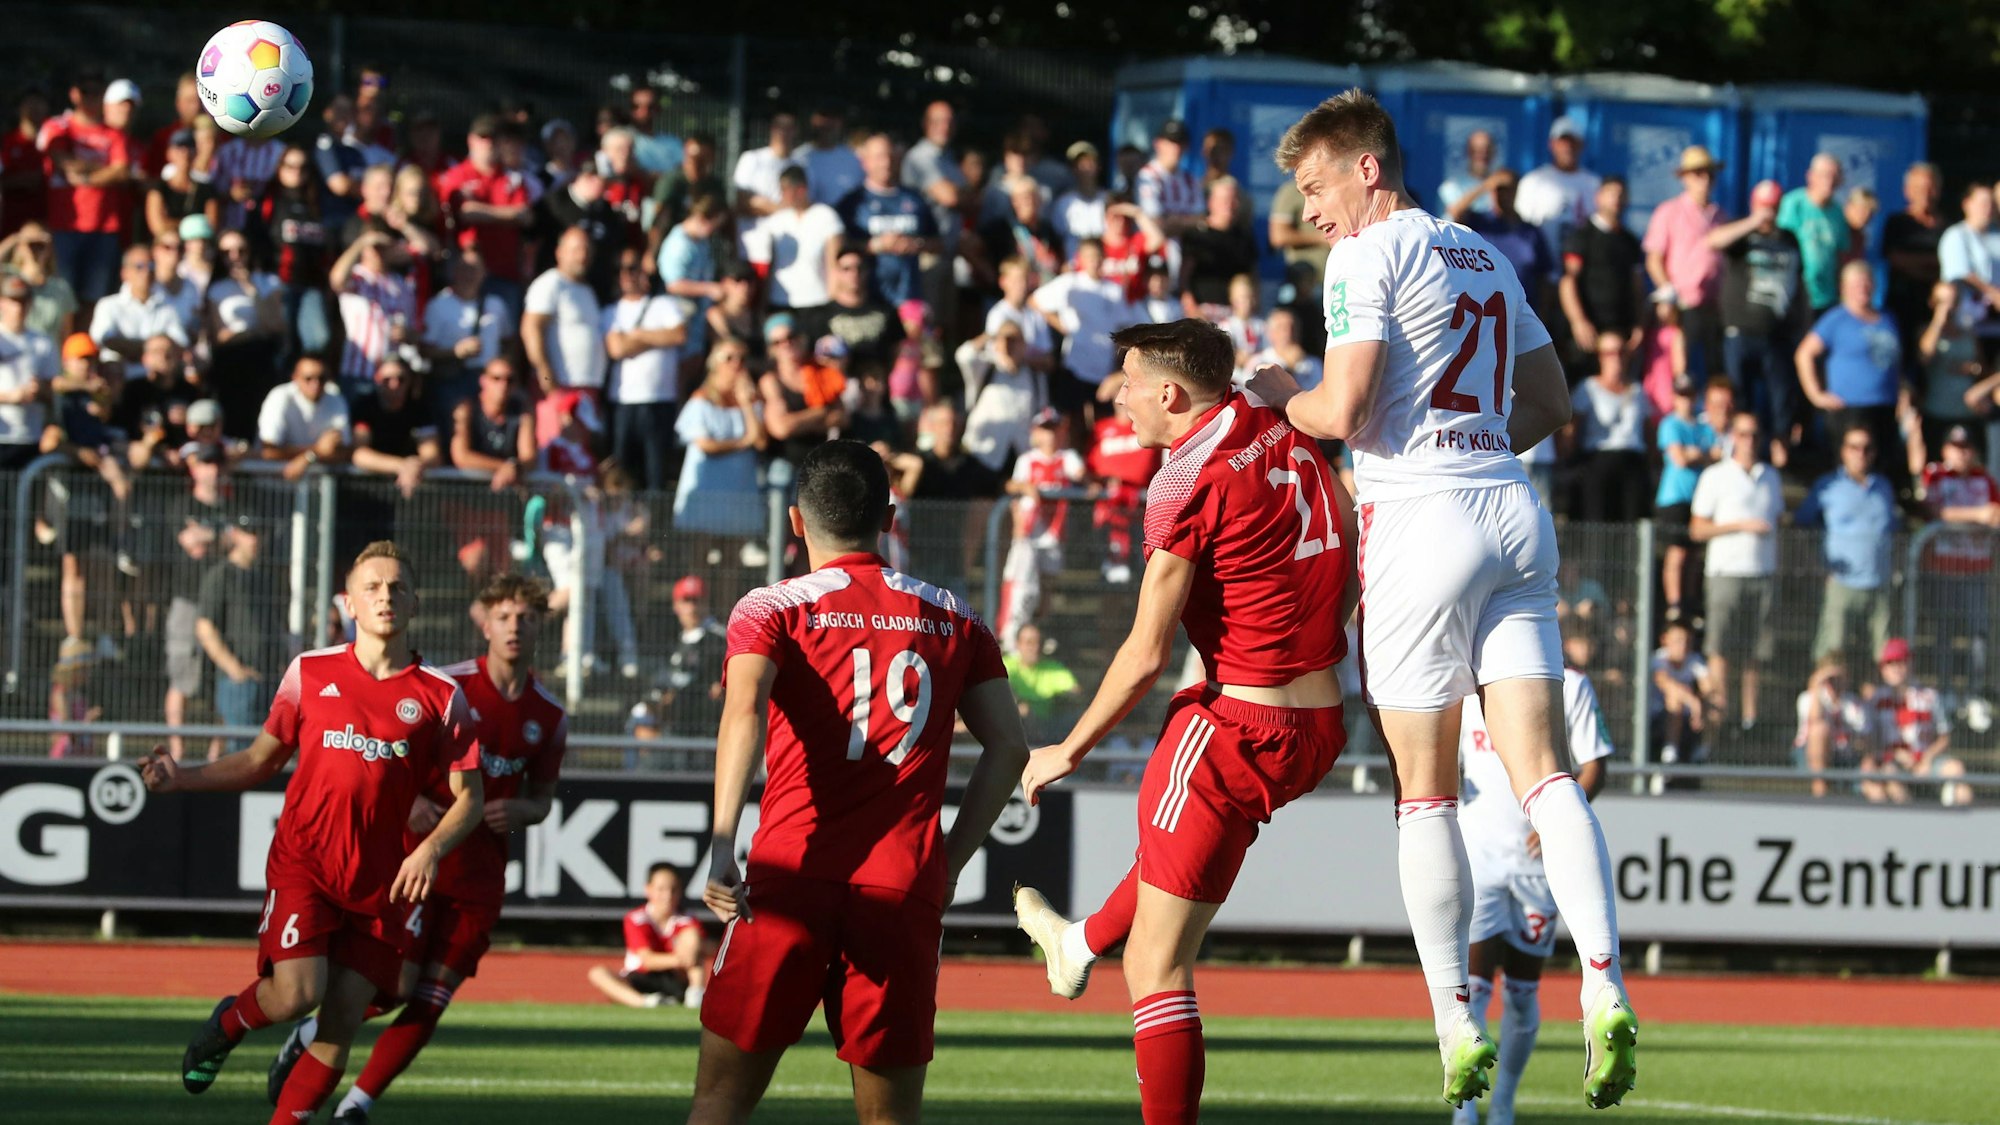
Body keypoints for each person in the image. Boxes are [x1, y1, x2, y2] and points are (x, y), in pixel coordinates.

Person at [1244, 90, 1636, 1111]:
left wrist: (1272, 383)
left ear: (1366, 168)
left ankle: (1450, 1022)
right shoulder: (1483, 254)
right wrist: (1476, 450)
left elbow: (1341, 409)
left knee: (1422, 792)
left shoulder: (1364, 257)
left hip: (1420, 520)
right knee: (1544, 773)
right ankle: (1604, 984)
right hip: (1511, 505)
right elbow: (1549, 403)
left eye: (1316, 186)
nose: (1311, 212)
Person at [1010, 320, 1351, 1125]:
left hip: (1234, 726)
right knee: (1170, 871)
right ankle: (1078, 941)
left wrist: (1070, 745)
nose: (1117, 396)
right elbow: (1343, 516)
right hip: (1323, 723)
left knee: (1158, 966)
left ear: (1170, 394)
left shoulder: (1181, 482)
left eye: (1127, 381)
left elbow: (1142, 654)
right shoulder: (1274, 412)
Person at [685, 440, 1031, 1125]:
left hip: (789, 874)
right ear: (891, 516)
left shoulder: (770, 608)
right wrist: (949, 861)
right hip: (900, 886)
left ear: (794, 521)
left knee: (721, 1099)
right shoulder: (956, 617)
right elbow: (1010, 748)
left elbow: (743, 713)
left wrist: (722, 840)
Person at [139, 542, 484, 1124]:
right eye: (372, 587)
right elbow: (260, 760)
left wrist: (429, 849)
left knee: (343, 1018)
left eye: (397, 586)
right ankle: (229, 1022)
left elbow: (470, 799)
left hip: (382, 882)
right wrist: (182, 777)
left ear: (416, 602)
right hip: (307, 864)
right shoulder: (310, 671)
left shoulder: (441, 696)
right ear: (349, 603)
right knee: (297, 993)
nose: (386, 596)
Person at [269, 574, 568, 1124]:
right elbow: (387, 757)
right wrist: (409, 806)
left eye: (525, 618)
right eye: (504, 616)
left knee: (434, 995)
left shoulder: (549, 714)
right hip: (417, 861)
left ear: (539, 626)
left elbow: (543, 798)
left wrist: (524, 810)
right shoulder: (447, 687)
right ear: (484, 621)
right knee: (398, 985)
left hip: (480, 877)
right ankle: (314, 1032)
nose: (514, 628)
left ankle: (357, 1106)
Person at [1452, 623, 1613, 1125]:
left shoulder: (1569, 684)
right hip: (1479, 856)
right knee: (1473, 988)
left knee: (1522, 993)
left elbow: (1595, 764)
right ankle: (1467, 1109)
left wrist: (1561, 817)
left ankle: (1504, 1101)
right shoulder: (1465, 687)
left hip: (1536, 868)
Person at [1690, 413, 1784, 732]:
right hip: (1725, 572)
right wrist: (1741, 526)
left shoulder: (1770, 476)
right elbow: (1697, 529)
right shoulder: (1715, 476)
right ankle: (1719, 719)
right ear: (1732, 436)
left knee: (1755, 652)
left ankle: (1749, 720)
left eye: (1754, 434)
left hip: (1763, 573)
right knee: (1721, 649)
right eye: (1743, 434)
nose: (1749, 441)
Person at [1713, 179, 1808, 464]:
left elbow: (1799, 285)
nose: (1768, 213)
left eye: (1773, 207)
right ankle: (1738, 451)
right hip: (1739, 331)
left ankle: (1779, 451)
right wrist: (1753, 222)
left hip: (1776, 333)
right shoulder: (1741, 235)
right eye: (1763, 206)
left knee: (1781, 396)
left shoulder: (1789, 239)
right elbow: (1713, 240)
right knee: (1739, 394)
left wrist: (1802, 324)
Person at [1796, 261, 1911, 491]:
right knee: (1849, 470)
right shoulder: (1836, 319)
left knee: (1882, 468)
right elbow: (1804, 354)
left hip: (1885, 406)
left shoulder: (1887, 318)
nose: (1863, 289)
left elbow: (1893, 361)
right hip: (1849, 408)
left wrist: (1903, 392)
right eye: (1857, 284)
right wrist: (1816, 395)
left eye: (1867, 283)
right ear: (1844, 288)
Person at [1795, 425, 1898, 665]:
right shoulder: (1827, 486)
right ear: (1843, 451)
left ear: (1873, 453)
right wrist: (1816, 566)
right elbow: (1801, 525)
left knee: (1883, 655)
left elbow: (1893, 530)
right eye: (1854, 447)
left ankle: (1878, 702)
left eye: (1866, 448)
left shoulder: (1884, 487)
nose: (1860, 453)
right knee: (1832, 651)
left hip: (1879, 583)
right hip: (1841, 584)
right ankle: (1825, 702)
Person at [1918, 426, 2000, 704]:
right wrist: (1977, 516)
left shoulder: (1984, 479)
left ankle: (1975, 693)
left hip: (1976, 568)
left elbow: (1996, 515)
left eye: (1966, 447)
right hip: (1945, 567)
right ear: (1945, 450)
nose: (1961, 453)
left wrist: (1969, 520)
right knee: (1945, 631)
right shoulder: (1935, 474)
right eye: (1955, 447)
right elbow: (1936, 512)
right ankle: (1945, 690)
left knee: (1979, 632)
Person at [38, 69, 135, 305]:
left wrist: (87, 178)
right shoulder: (58, 126)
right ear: (74, 94)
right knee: (64, 298)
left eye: (97, 91)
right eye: (85, 91)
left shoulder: (114, 134)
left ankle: (85, 343)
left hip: (104, 227)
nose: (91, 96)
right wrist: (103, 168)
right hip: (65, 226)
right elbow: (63, 163)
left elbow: (121, 170)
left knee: (96, 299)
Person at [603, 245, 688, 492]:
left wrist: (637, 336)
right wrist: (654, 337)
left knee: (656, 473)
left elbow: (679, 334)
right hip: (623, 402)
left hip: (660, 401)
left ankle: (655, 528)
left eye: (632, 268)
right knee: (622, 472)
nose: (626, 275)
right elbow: (617, 349)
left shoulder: (664, 304)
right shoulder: (611, 310)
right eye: (620, 270)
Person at [194, 515, 281, 747]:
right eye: (248, 532)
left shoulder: (263, 578)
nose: (255, 538)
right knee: (242, 755)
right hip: (239, 682)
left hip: (268, 678)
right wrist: (235, 669)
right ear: (234, 534)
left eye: (258, 532)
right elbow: (205, 628)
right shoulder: (221, 575)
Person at [435, 117, 542, 305]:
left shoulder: (512, 178)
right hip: (465, 272)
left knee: (502, 330)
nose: (489, 143)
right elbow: (464, 212)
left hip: (504, 273)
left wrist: (481, 212)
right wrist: (508, 214)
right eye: (483, 137)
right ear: (471, 140)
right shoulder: (457, 175)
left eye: (494, 138)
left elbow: (525, 216)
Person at [998, 408, 1084, 639]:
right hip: (1027, 533)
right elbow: (1012, 485)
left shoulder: (1067, 457)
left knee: (1047, 587)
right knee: (1022, 585)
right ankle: (1012, 634)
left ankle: (1036, 633)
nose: (1050, 436)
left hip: (1054, 533)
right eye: (1045, 430)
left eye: (1055, 430)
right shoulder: (1027, 460)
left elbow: (1080, 473)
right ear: (1035, 433)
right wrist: (1025, 487)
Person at [1644, 146, 1727, 378]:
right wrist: (1667, 291)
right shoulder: (1669, 212)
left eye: (1710, 173)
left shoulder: (1720, 216)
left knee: (1715, 369)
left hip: (1713, 307)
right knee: (1679, 371)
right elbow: (1654, 259)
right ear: (1685, 178)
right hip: (1682, 306)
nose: (1706, 179)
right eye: (1698, 173)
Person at [673, 342, 766, 547]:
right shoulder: (701, 400)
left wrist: (745, 403)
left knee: (733, 548)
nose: (737, 364)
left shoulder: (751, 399)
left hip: (739, 485)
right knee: (701, 544)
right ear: (715, 364)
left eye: (742, 359)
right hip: (709, 485)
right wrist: (743, 442)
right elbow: (706, 445)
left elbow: (759, 441)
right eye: (729, 358)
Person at [1862, 637, 1972, 807]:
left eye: (1901, 662)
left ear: (1910, 664)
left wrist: (1927, 759)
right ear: (1883, 669)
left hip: (1926, 761)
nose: (1896, 669)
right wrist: (1894, 755)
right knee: (1890, 774)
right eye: (1890, 663)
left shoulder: (1929, 696)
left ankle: (1959, 826)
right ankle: (1913, 822)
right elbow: (1869, 742)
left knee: (1956, 769)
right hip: (1893, 763)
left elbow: (1945, 737)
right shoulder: (1876, 700)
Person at [587, 863, 709, 1008]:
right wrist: (681, 959)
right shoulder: (636, 919)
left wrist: (689, 954)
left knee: (692, 940)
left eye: (673, 890)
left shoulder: (688, 921)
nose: (667, 896)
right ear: (648, 889)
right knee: (597, 973)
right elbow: (647, 960)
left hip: (675, 981)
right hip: (640, 979)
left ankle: (695, 995)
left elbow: (695, 955)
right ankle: (648, 1002)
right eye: (661, 889)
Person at [838, 134, 939, 308]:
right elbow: (839, 250)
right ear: (865, 162)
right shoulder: (852, 204)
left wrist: (916, 243)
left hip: (910, 298)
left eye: (890, 156)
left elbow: (939, 243)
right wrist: (876, 245)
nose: (886, 163)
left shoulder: (915, 199)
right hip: (869, 300)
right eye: (879, 157)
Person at [1031, 237, 1132, 408]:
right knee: (1071, 422)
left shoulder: (1114, 290)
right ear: (1081, 258)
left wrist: (1116, 366)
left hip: (1103, 370)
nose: (1094, 261)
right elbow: (1035, 301)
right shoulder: (1071, 283)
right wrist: (1061, 326)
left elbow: (1120, 327)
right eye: (1090, 256)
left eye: (1098, 256)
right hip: (1074, 366)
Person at [523, 226, 607, 432]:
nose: (582, 256)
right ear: (559, 252)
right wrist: (546, 378)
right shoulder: (550, 284)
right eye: (576, 249)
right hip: (557, 388)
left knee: (578, 458)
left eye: (587, 250)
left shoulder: (587, 290)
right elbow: (530, 329)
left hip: (586, 389)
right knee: (555, 453)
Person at [1653, 376, 1721, 621]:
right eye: (1681, 395)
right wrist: (1702, 455)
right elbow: (1680, 458)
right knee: (1677, 553)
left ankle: (1690, 603)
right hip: (1674, 498)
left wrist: (1695, 454)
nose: (1686, 400)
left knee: (1693, 556)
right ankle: (1675, 603)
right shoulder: (1670, 424)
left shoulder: (1704, 427)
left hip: (1699, 499)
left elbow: (1716, 454)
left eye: (1690, 395)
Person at [1566, 332, 1649, 521]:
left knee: (1631, 522)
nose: (1617, 358)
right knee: (1598, 521)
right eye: (1610, 353)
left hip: (1632, 462)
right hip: (1598, 460)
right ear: (1600, 356)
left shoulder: (1638, 391)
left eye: (1621, 352)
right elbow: (1572, 429)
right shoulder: (1587, 388)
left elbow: (1647, 431)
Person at [1514, 115, 1600, 283]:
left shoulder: (1594, 184)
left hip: (1582, 279)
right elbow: (1522, 230)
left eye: (1573, 142)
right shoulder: (1533, 181)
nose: (1568, 147)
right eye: (1562, 141)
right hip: (1540, 277)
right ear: (1551, 144)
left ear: (1582, 145)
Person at [761, 165, 843, 310]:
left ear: (801, 189)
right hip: (780, 302)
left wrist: (833, 300)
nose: (782, 195)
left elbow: (835, 264)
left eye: (786, 190)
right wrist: (765, 300)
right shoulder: (777, 221)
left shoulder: (825, 216)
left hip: (817, 301)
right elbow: (771, 264)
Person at [656, 575, 729, 737]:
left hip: (706, 725)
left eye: (697, 600)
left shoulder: (721, 639)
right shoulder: (669, 639)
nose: (692, 607)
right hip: (674, 723)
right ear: (676, 605)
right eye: (686, 601)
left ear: (706, 603)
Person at [1778, 154, 1849, 319]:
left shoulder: (1837, 212)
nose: (1829, 181)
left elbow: (1842, 254)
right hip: (1796, 294)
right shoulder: (1793, 204)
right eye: (1824, 175)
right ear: (1810, 176)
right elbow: (1782, 246)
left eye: (1834, 176)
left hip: (1827, 297)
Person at [0, 271, 57, 470]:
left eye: (23, 300)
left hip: (30, 436)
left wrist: (38, 391)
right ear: (2, 302)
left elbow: (51, 393)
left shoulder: (43, 342)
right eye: (13, 300)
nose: (19, 307)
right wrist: (10, 397)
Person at [1884, 162, 1943, 356]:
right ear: (1907, 191)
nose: (1925, 193)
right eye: (1918, 188)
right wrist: (1932, 263)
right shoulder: (1897, 222)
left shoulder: (1947, 227)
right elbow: (1896, 259)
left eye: (1929, 188)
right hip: (1902, 307)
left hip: (1935, 311)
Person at [257, 356, 350, 477]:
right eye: (308, 378)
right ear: (295, 377)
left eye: (321, 379)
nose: (315, 384)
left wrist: (307, 457)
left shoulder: (336, 398)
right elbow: (268, 451)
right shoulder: (279, 397)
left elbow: (341, 450)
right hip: (272, 485)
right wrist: (316, 451)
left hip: (315, 488)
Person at [1794, 654, 1865, 798]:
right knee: (1820, 730)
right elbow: (1815, 718)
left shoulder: (1853, 702)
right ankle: (1820, 792)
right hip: (1810, 754)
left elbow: (1862, 737)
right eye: (1830, 680)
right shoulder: (1807, 698)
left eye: (1839, 679)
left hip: (1844, 755)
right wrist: (1816, 686)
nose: (1835, 684)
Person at [1649, 618, 1715, 765]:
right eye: (1678, 640)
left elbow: (1709, 688)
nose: (1683, 646)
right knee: (1675, 700)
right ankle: (1669, 755)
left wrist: (1701, 702)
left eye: (1687, 641)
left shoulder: (1694, 660)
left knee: (1716, 702)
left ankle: (1702, 752)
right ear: (1665, 640)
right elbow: (1666, 685)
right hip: (1658, 718)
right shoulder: (1657, 660)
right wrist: (1693, 702)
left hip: (1691, 718)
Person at [1133, 120, 1203, 236]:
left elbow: (1201, 219)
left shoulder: (1190, 180)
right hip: (1157, 251)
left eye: (1180, 143)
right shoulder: (1147, 176)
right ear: (1157, 144)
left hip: (1186, 249)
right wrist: (1187, 222)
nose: (1176, 148)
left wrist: (1174, 222)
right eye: (1171, 142)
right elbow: (1155, 223)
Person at [730, 112, 801, 222]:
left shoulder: (801, 164)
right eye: (780, 127)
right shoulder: (751, 158)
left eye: (789, 128)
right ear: (772, 129)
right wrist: (783, 211)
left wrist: (762, 204)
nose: (784, 132)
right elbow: (742, 201)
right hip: (754, 235)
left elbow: (803, 203)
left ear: (795, 131)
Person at [1436, 129, 1497, 219]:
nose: (1483, 155)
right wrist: (1486, 186)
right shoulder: (1450, 187)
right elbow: (1452, 217)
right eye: (1477, 151)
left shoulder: (1501, 188)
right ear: (1468, 152)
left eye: (1488, 150)